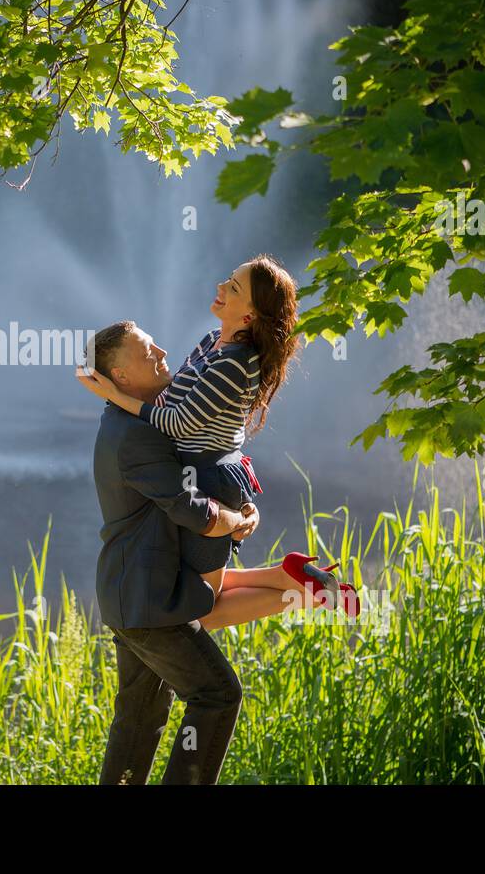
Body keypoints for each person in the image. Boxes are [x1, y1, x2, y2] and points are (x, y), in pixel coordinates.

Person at [78, 255, 357, 631]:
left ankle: (308, 593)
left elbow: (180, 423)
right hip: (204, 475)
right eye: (228, 279)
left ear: (248, 317)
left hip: (210, 482)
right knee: (202, 590)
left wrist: (118, 396)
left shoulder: (235, 363)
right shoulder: (214, 343)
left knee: (202, 610)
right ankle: (288, 574)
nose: (221, 288)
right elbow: (182, 400)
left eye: (234, 288)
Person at [87, 319, 259, 785]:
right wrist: (233, 521)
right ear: (121, 377)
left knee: (140, 718)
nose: (163, 351)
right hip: (148, 603)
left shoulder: (135, 419)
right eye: (147, 351)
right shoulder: (134, 434)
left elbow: (203, 465)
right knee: (217, 695)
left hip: (135, 598)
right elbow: (188, 508)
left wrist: (238, 505)